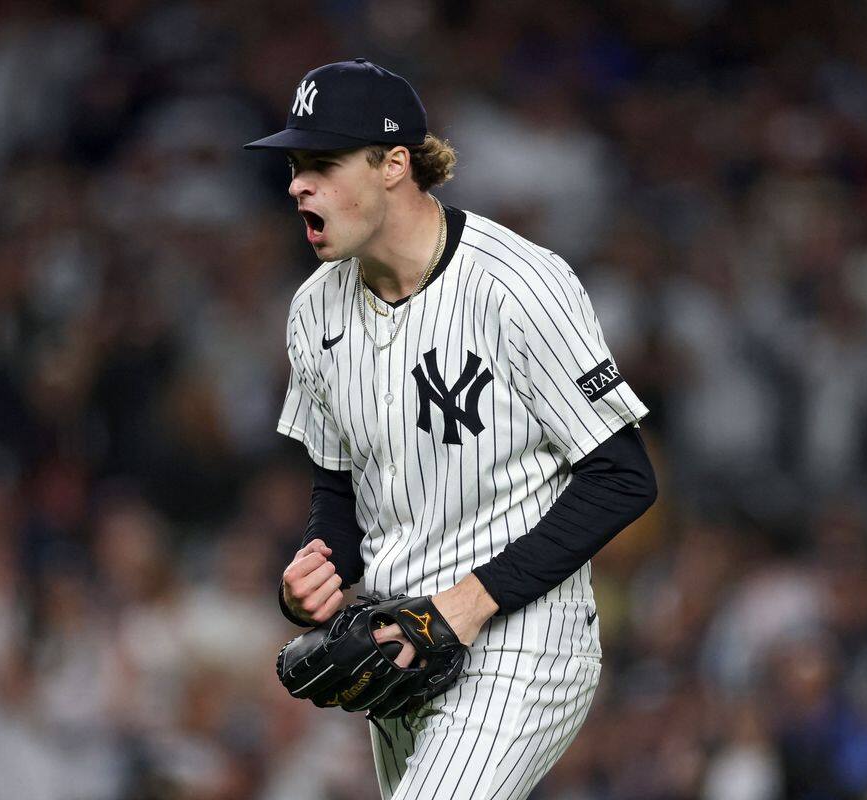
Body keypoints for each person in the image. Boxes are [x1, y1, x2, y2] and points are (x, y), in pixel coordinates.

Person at [245, 59, 657, 800]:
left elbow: (623, 477)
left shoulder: (519, 286)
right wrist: (317, 572)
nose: (298, 185)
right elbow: (339, 490)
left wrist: (469, 603)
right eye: (295, 166)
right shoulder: (313, 311)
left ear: (394, 165)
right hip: (400, 649)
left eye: (322, 164)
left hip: (523, 644)